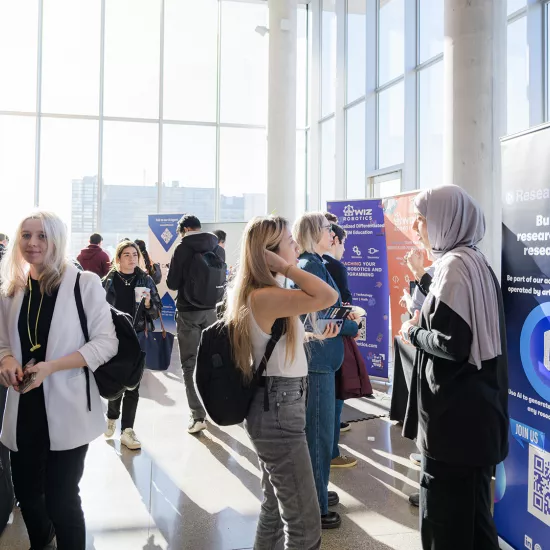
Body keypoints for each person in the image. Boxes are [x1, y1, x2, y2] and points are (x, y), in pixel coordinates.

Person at [0, 211, 118, 550]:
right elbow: (4, 344)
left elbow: (105, 343)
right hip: (24, 406)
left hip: (67, 405)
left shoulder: (83, 283)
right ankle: (43, 542)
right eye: (26, 235)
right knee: (26, 493)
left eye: (42, 236)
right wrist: (7, 360)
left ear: (57, 240)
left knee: (62, 499)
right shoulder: (12, 288)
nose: (33, 243)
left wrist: (51, 367)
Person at [399, 185, 509, 550]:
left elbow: (452, 344)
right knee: (476, 525)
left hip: (453, 428)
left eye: (422, 220)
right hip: (476, 424)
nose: (417, 229)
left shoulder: (454, 268)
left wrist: (413, 332)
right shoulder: (474, 263)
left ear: (446, 221)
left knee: (444, 527)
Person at [225, 215, 338, 549]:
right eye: (289, 241)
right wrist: (287, 269)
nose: (295, 245)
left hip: (277, 404)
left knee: (275, 510)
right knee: (305, 526)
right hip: (278, 411)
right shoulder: (265, 294)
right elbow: (327, 296)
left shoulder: (267, 294)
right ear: (269, 253)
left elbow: (271, 344)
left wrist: (310, 335)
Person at [293, 212, 360, 530]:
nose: (331, 233)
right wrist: (351, 324)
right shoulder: (309, 266)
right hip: (317, 360)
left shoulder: (315, 264)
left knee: (320, 433)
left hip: (321, 360)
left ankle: (318, 492)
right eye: (325, 229)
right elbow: (317, 321)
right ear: (311, 233)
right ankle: (316, 505)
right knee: (318, 436)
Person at [167, 215, 226, 434]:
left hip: (188, 313)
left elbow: (172, 283)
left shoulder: (182, 248)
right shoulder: (217, 248)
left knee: (189, 364)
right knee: (213, 360)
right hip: (213, 312)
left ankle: (198, 415)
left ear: (184, 229)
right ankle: (218, 408)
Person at [102, 241, 162, 451]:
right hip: (111, 336)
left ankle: (127, 430)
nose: (132, 258)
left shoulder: (144, 279)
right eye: (126, 254)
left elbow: (155, 311)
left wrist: (147, 304)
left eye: (134, 254)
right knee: (115, 379)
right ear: (118, 259)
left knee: (133, 384)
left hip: (135, 336)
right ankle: (111, 416)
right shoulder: (108, 281)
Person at [322, 221, 357, 469]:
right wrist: (354, 324)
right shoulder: (334, 267)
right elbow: (340, 310)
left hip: (318, 342)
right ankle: (331, 452)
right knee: (334, 398)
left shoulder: (309, 264)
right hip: (332, 339)